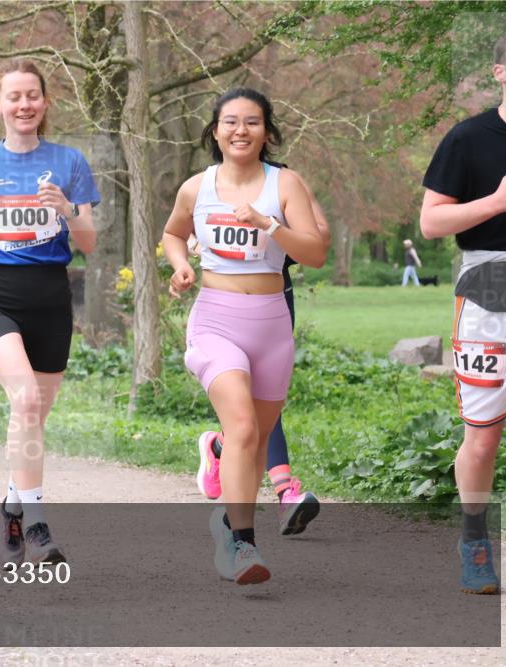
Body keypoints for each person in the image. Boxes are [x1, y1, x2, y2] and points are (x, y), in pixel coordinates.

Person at [162, 88, 326, 585]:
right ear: (215, 131)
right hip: (216, 319)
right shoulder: (197, 187)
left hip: (273, 324)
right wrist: (180, 266)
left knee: (253, 444)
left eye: (252, 122)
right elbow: (173, 233)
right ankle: (242, 545)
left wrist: (269, 224)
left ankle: (227, 523)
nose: (240, 130)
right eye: (230, 122)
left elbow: (315, 253)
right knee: (243, 428)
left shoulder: (286, 184)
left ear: (267, 132)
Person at [0, 59, 99, 566]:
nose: (24, 104)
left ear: (45, 102)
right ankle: (36, 524)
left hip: (51, 299)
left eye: (33, 95)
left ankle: (12, 502)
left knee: (33, 416)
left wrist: (68, 210)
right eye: (14, 97)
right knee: (26, 399)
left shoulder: (70, 163)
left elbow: (91, 243)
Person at [419, 29, 506, 595]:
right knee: (482, 439)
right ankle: (475, 539)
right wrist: (498, 203)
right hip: (490, 292)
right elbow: (431, 223)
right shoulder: (468, 139)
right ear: (500, 73)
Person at [193, 163, 329, 536]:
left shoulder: (287, 180)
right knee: (246, 413)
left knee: (265, 404)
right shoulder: (209, 184)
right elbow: (186, 229)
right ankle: (282, 493)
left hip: (274, 295)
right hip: (224, 303)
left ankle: (220, 447)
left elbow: (321, 238)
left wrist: (274, 225)